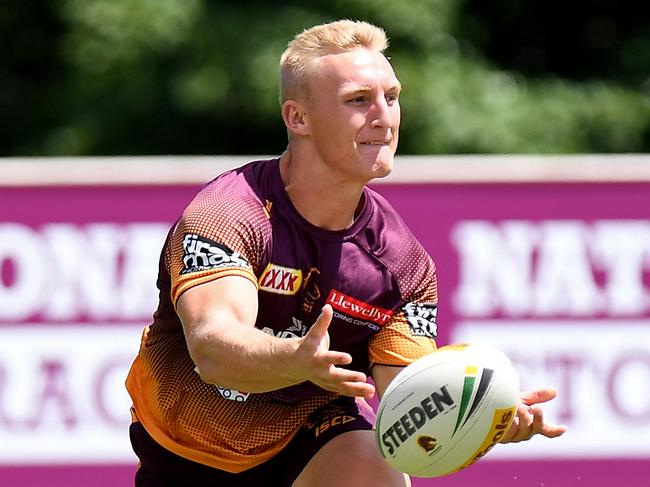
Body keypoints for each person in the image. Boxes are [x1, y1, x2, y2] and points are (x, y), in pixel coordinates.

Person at [125, 19, 567, 487]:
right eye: (358, 100)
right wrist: (293, 359)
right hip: (182, 446)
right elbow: (214, 349)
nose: (385, 116)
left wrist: (479, 416)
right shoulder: (229, 212)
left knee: (372, 460)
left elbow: (408, 399)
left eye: (392, 97)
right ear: (298, 118)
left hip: (317, 433)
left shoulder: (403, 263)